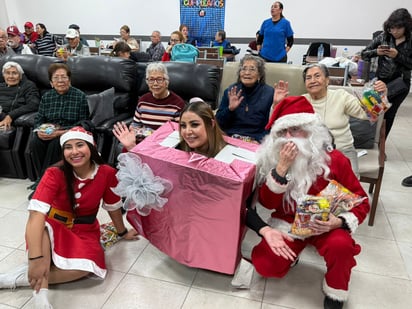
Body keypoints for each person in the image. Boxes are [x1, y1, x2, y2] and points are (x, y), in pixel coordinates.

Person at [246, 96, 370, 309]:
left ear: (311, 131)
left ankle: (335, 291)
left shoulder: (336, 160)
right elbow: (267, 203)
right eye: (282, 133)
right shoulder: (272, 161)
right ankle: (292, 255)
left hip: (325, 224)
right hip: (287, 222)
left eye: (294, 130)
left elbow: (362, 202)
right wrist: (281, 170)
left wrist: (338, 222)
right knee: (265, 265)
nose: (288, 138)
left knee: (340, 246)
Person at [0, 126, 138, 308]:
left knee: (86, 267)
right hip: (52, 225)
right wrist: (34, 260)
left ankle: (14, 279)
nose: (74, 152)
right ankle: (41, 298)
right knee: (42, 229)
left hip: (85, 231)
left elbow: (113, 207)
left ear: (91, 147)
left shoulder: (106, 173)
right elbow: (36, 215)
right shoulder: (54, 173)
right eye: (68, 147)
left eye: (80, 145)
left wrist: (121, 232)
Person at [298, 63, 386, 176]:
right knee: (308, 186)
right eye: (308, 78)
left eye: (317, 76)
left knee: (350, 188)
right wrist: (276, 103)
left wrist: (380, 95)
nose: (313, 80)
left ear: (327, 80)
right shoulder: (301, 101)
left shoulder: (341, 96)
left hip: (344, 150)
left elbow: (367, 114)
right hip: (312, 153)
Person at [30, 63, 90, 191]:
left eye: (63, 77)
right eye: (56, 78)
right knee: (35, 141)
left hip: (69, 131)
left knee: (55, 143)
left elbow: (84, 122)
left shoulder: (79, 96)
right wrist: (39, 130)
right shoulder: (47, 97)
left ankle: (43, 184)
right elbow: (39, 119)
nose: (60, 81)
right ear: (51, 82)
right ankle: (42, 178)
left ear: (69, 80)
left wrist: (61, 132)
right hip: (48, 131)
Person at [361, 8, 412, 139]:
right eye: (391, 28)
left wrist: (398, 55)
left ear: (406, 27)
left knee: (388, 115)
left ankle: (381, 145)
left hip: (400, 84)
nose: (394, 32)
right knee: (371, 111)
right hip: (380, 82)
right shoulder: (384, 36)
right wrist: (376, 52)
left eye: (398, 29)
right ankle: (368, 140)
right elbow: (364, 54)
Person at [113, 62, 185, 151]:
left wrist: (155, 137)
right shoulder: (143, 100)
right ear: (147, 82)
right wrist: (133, 130)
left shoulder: (177, 104)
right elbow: (135, 125)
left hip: (164, 146)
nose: (155, 84)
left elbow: (179, 132)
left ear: (166, 82)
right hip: (142, 142)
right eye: (151, 80)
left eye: (159, 79)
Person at [215, 55, 285, 143]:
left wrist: (259, 140)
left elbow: (272, 126)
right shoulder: (231, 91)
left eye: (252, 69)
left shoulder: (270, 93)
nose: (247, 73)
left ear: (259, 74)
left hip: (256, 141)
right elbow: (218, 123)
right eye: (244, 69)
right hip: (230, 138)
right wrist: (230, 109)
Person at [0, 62, 40, 129]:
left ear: (20, 75)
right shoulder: (1, 86)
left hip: (10, 120)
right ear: (3, 75)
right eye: (7, 73)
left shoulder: (28, 86)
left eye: (14, 73)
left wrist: (10, 115)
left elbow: (34, 104)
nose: (10, 76)